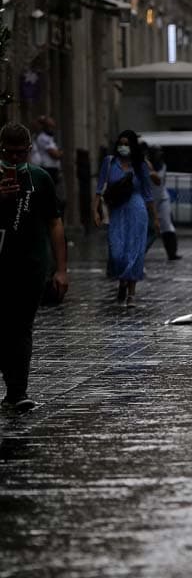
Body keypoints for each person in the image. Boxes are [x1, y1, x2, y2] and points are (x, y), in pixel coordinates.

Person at [0, 123, 68, 412]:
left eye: (20, 153)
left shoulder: (40, 179)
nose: (15, 159)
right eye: (8, 153)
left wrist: (61, 269)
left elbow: (54, 223)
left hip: (31, 265)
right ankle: (12, 386)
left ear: (29, 150)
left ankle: (18, 391)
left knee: (22, 327)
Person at [93, 130, 159, 306]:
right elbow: (99, 189)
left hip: (137, 210)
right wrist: (96, 210)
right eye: (121, 144)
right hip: (117, 210)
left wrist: (156, 218)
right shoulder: (109, 162)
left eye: (127, 144)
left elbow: (148, 193)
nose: (124, 147)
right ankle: (122, 280)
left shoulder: (140, 165)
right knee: (117, 252)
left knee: (134, 251)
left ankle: (131, 293)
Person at [147, 144, 181, 260]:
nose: (159, 155)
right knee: (146, 228)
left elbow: (160, 181)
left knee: (167, 226)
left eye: (159, 152)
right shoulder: (144, 166)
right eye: (156, 152)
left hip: (162, 198)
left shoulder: (162, 165)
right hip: (147, 200)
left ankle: (172, 253)